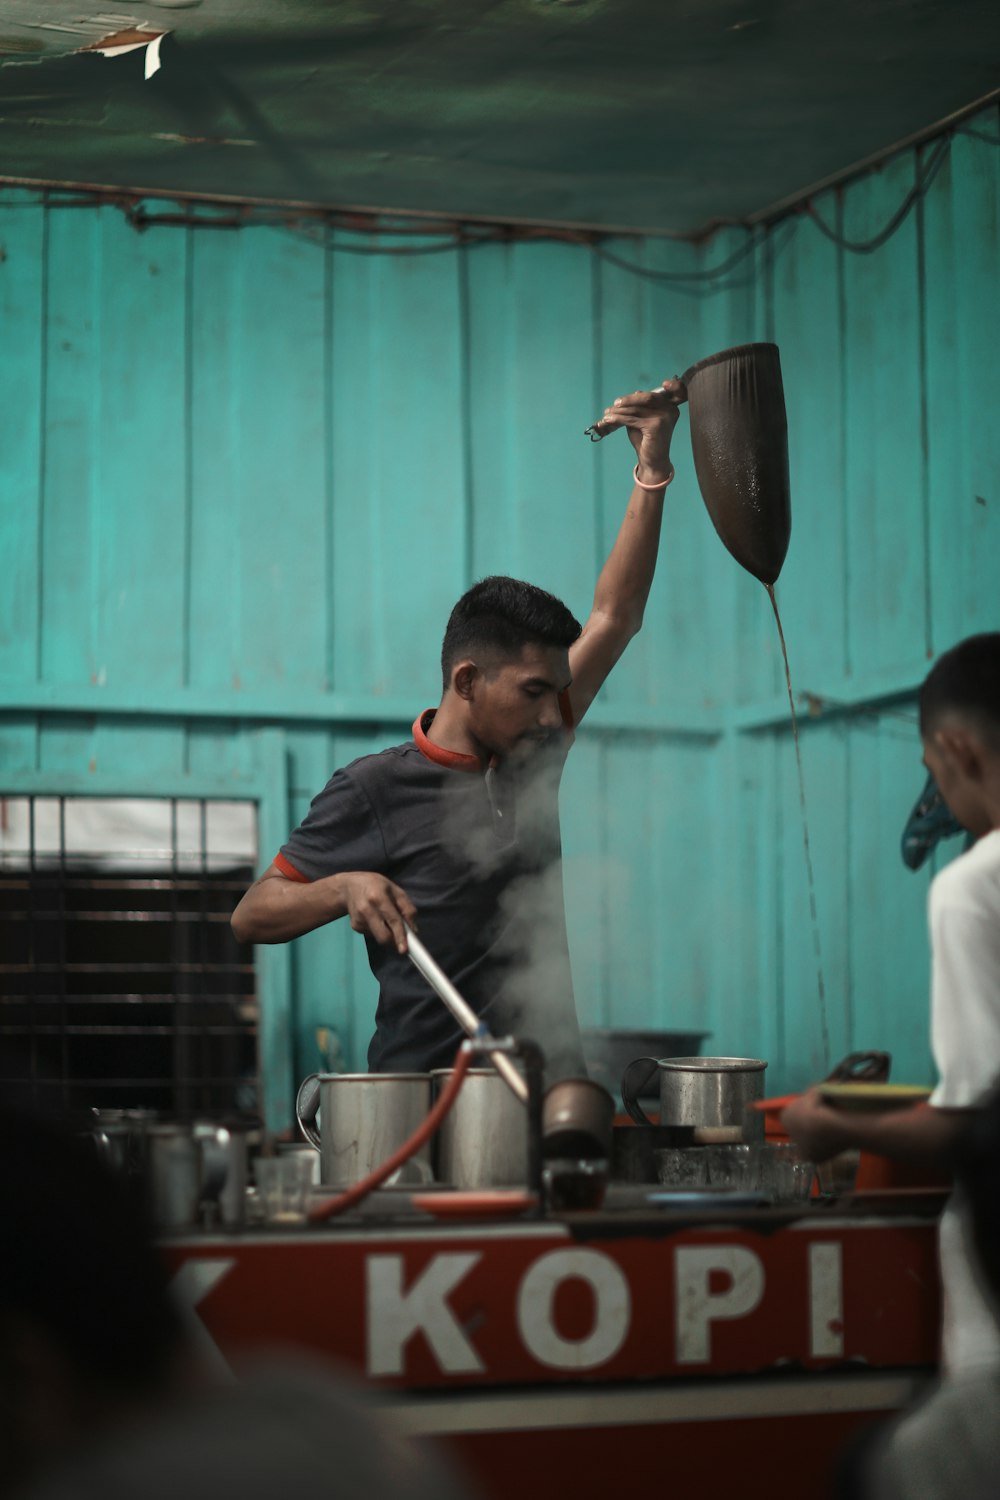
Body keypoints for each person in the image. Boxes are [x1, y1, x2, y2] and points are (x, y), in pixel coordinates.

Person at [232, 382, 684, 1080]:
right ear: (468, 681)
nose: (550, 716)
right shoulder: (374, 788)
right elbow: (252, 915)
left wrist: (653, 466)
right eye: (534, 692)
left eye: (554, 695)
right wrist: (343, 886)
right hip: (422, 1101)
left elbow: (615, 616)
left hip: (543, 1088)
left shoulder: (532, 752)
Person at [783, 631, 1000, 1379]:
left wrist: (828, 1125)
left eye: (933, 771)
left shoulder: (973, 887)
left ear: (957, 750)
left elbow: (972, 1129)